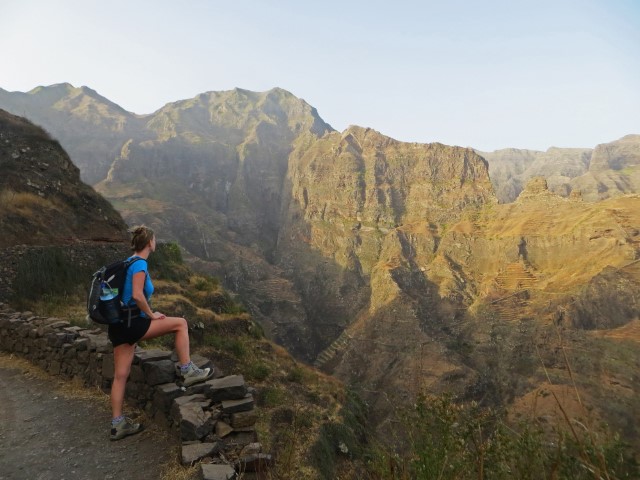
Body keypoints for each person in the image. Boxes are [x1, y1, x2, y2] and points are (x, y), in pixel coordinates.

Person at [108, 225, 214, 441]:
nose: (155, 242)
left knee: (120, 376)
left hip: (118, 326)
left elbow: (129, 296)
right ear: (149, 243)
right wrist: (151, 315)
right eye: (154, 239)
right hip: (133, 324)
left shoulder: (128, 261)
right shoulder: (139, 264)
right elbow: (137, 295)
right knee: (181, 323)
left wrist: (146, 313)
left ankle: (117, 424)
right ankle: (187, 370)